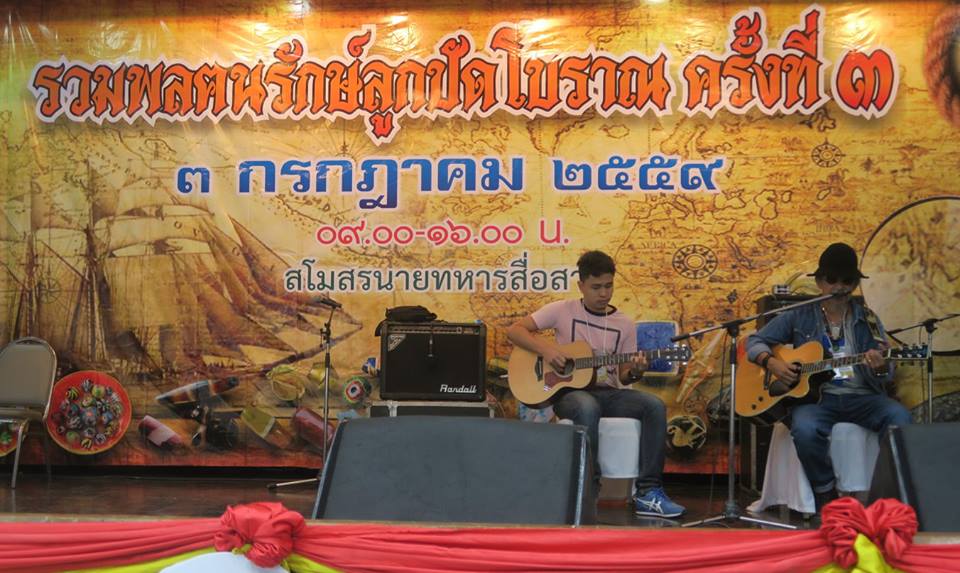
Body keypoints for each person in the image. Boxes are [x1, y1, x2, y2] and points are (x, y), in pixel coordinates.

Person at [507, 250, 685, 518]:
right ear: (581, 285)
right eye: (596, 287)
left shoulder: (624, 324)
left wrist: (636, 371)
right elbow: (515, 330)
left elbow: (624, 376)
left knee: (654, 406)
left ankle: (648, 492)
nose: (604, 293)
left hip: (608, 393)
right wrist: (548, 351)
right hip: (570, 394)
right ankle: (588, 487)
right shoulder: (562, 310)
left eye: (609, 286)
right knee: (587, 406)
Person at [745, 242, 912, 511]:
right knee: (805, 429)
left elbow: (885, 374)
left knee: (900, 418)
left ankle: (889, 496)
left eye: (847, 281)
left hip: (863, 397)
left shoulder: (868, 319)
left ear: (855, 284)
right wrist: (772, 363)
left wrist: (880, 366)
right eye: (832, 279)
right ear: (820, 282)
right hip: (817, 400)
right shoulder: (799, 315)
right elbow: (754, 341)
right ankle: (825, 493)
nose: (839, 287)